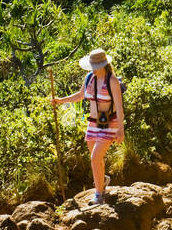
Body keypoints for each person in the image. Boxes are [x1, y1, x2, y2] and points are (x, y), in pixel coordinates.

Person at [52, 48, 124, 204]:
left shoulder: (112, 81)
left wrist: (120, 130)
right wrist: (60, 100)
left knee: (95, 158)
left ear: (103, 65)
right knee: (96, 160)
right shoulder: (89, 78)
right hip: (93, 123)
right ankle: (102, 180)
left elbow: (119, 106)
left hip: (109, 123)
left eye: (95, 66)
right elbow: (80, 96)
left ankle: (99, 195)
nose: (93, 69)